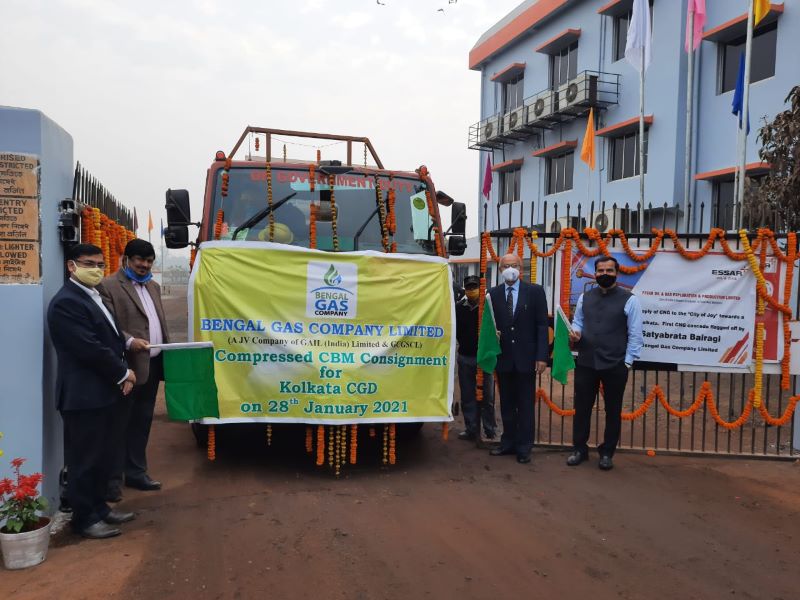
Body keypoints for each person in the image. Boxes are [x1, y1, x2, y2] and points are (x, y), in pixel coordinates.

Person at [47, 244, 136, 539]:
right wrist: (122, 372)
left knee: (102, 456)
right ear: (72, 266)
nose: (96, 269)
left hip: (103, 392)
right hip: (83, 395)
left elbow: (111, 338)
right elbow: (89, 348)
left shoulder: (93, 295)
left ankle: (100, 508)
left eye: (100, 264)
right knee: (84, 460)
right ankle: (85, 519)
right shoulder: (66, 302)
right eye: (89, 263)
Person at [100, 239, 170, 498]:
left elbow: (157, 323)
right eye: (140, 260)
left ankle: (137, 473)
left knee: (142, 422)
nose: (145, 265)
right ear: (126, 259)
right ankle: (111, 481)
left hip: (152, 365)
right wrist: (129, 341)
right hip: (126, 368)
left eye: (149, 261)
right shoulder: (108, 286)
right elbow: (107, 325)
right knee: (118, 425)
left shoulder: (153, 286)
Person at [567, 256, 643, 471]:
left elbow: (636, 334)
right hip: (586, 362)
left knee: (613, 410)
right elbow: (578, 321)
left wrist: (627, 362)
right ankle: (579, 449)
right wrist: (576, 333)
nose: (604, 274)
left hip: (615, 364)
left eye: (609, 270)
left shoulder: (630, 300)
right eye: (600, 271)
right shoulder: (585, 297)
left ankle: (607, 452)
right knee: (582, 408)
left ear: (616, 273)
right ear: (595, 273)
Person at [487, 254, 549, 464]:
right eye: (506, 266)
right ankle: (508, 443)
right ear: (500, 269)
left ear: (521, 268)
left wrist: (542, 356)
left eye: (514, 265)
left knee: (525, 405)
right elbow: (489, 325)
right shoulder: (493, 294)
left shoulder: (535, 292)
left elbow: (542, 325)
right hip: (503, 358)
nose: (510, 269)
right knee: (506, 404)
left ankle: (524, 447)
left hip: (527, 358)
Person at [455, 275, 496, 442]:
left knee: (488, 397)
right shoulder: (459, 307)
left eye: (474, 287)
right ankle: (471, 429)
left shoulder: (488, 307)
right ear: (465, 289)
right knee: (467, 396)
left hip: (484, 358)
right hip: (465, 357)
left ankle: (490, 430)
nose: (472, 290)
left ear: (480, 288)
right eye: (469, 287)